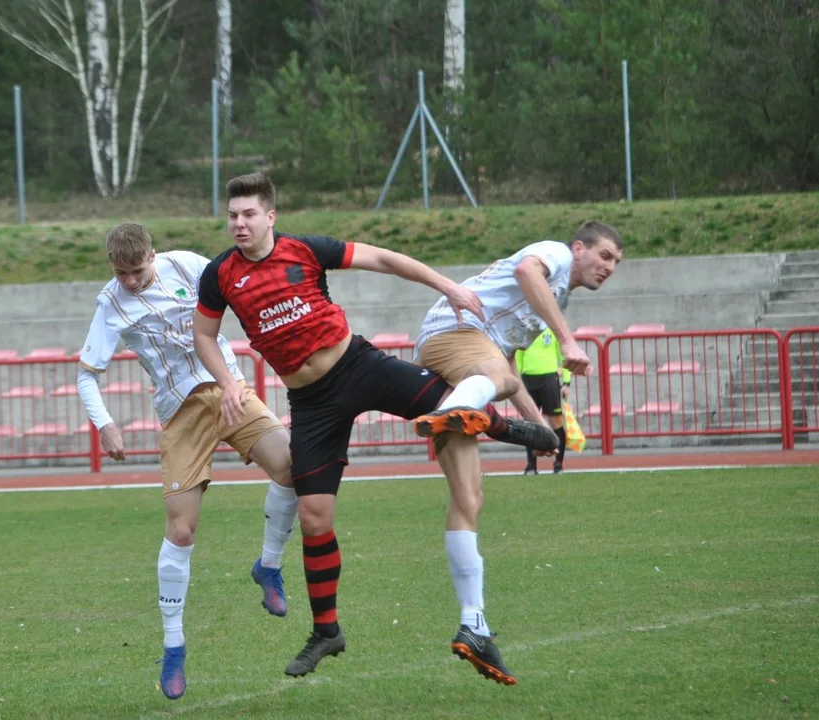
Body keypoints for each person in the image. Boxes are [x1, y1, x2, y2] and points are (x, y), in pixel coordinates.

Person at [191, 172, 555, 681]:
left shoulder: (306, 250)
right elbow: (203, 335)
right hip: (311, 401)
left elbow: (384, 259)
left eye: (249, 214)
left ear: (270, 216)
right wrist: (229, 381)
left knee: (449, 407)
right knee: (314, 516)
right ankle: (327, 632)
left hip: (357, 366)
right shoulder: (220, 274)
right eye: (232, 215)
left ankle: (510, 429)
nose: (239, 223)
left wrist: (448, 285)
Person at [76, 222, 298, 701]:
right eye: (121, 273)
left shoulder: (190, 266)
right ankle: (174, 645)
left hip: (229, 392)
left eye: (136, 270)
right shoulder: (110, 304)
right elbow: (87, 376)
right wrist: (105, 424)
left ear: (153, 255)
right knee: (181, 531)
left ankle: (269, 566)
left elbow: (241, 300)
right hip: (179, 413)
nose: (130, 281)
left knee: (291, 467)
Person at [410, 222, 623, 683]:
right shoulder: (553, 256)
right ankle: (456, 409)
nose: (609, 267)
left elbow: (504, 362)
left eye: (616, 263)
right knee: (497, 380)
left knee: (469, 500)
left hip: (468, 369)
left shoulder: (555, 297)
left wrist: (537, 429)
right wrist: (567, 340)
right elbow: (527, 270)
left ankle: (474, 623)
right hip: (454, 334)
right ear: (580, 248)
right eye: (604, 255)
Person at [516, 328, 572, 474]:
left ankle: (558, 464)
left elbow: (564, 355)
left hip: (549, 379)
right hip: (528, 379)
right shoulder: (524, 330)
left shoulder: (552, 328)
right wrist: (517, 382)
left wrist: (566, 383)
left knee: (556, 422)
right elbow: (518, 358)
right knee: (530, 423)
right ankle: (531, 465)